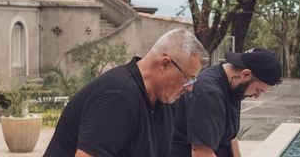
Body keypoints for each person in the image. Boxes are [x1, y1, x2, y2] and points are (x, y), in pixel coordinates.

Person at [43, 28, 208, 157]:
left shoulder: (166, 101)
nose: (189, 87)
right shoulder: (118, 96)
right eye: (187, 78)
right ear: (165, 64)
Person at [171, 47, 282, 157]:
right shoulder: (208, 92)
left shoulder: (234, 86)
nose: (257, 96)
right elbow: (201, 153)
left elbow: (230, 137)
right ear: (246, 74)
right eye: (258, 90)